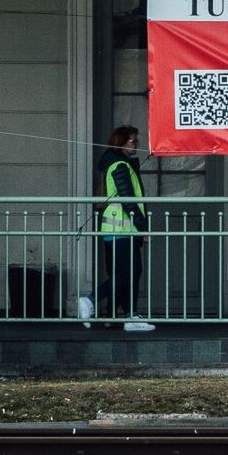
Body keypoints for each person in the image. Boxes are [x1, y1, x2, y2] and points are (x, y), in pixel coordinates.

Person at [94, 125, 152, 330]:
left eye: (136, 140)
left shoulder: (119, 163)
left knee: (124, 274)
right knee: (128, 273)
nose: (135, 144)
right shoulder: (120, 165)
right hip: (121, 228)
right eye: (132, 140)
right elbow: (128, 200)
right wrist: (143, 228)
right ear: (121, 142)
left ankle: (121, 315)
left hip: (120, 229)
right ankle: (92, 301)